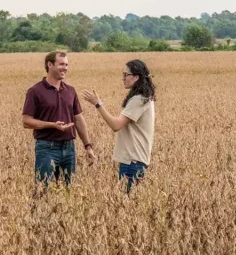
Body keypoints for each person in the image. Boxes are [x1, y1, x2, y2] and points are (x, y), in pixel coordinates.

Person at [22, 50, 97, 196]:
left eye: (67, 65)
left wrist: (88, 146)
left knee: (68, 193)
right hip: (46, 148)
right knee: (42, 192)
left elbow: (79, 120)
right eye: (61, 64)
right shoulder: (35, 91)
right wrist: (52, 125)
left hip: (69, 149)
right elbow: (26, 121)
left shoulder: (70, 91)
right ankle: (39, 218)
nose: (65, 68)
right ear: (49, 64)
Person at [82, 59, 156, 194]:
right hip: (136, 161)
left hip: (132, 162)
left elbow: (116, 125)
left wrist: (98, 104)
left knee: (128, 204)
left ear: (136, 77)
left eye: (125, 75)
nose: (123, 78)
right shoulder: (144, 98)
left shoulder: (139, 99)